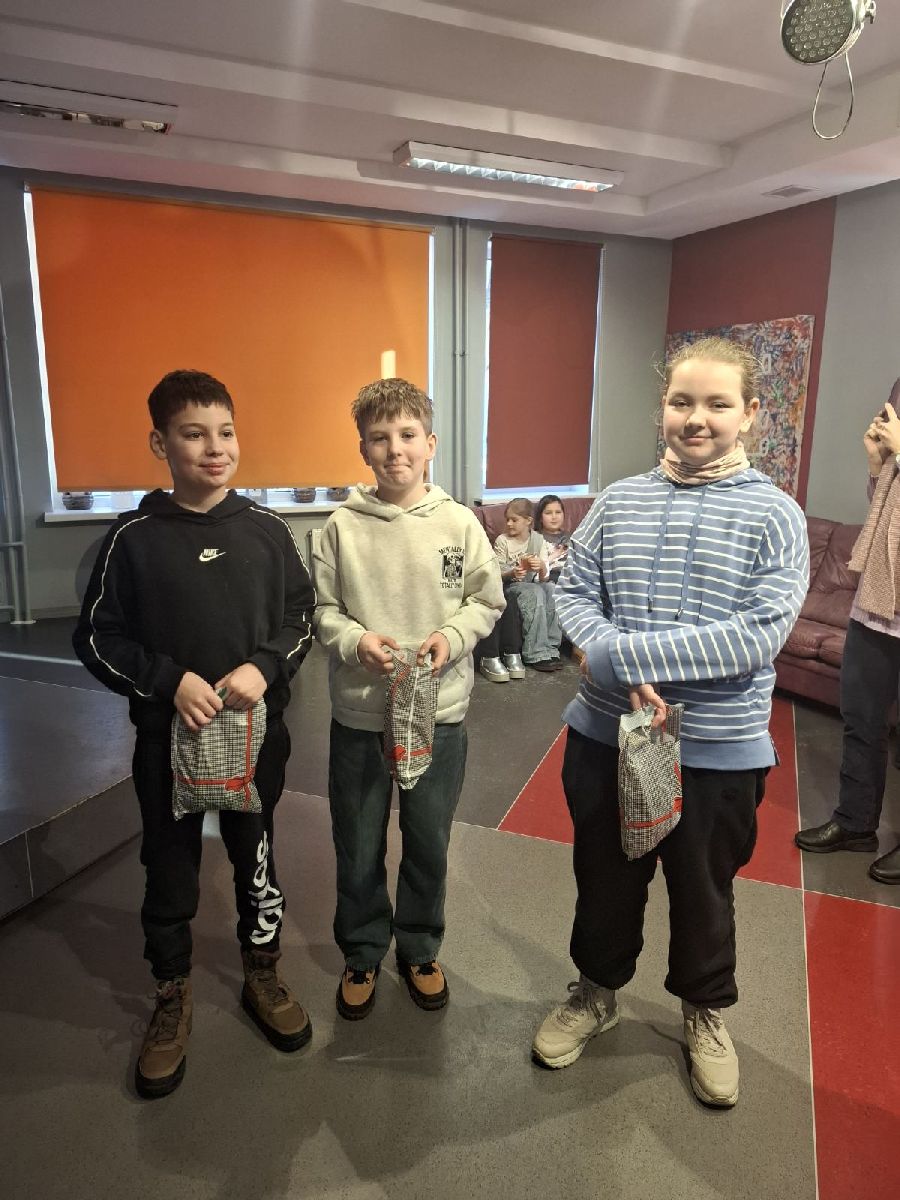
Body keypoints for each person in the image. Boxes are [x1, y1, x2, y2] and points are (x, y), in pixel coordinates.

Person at [531, 338, 808, 1109]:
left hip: (718, 749)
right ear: (663, 408)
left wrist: (618, 656)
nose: (697, 418)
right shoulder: (619, 501)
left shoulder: (776, 516)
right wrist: (608, 654)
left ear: (751, 413)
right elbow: (574, 591)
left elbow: (757, 635)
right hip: (605, 737)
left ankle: (704, 1009)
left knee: (703, 890)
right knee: (604, 878)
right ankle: (595, 991)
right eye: (682, 401)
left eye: (718, 404)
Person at [73, 370, 316, 1099]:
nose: (216, 448)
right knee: (170, 867)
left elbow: (300, 617)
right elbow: (97, 637)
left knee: (256, 858)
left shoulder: (268, 531)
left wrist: (264, 666)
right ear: (160, 444)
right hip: (165, 744)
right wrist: (169, 680)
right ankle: (171, 992)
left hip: (255, 742)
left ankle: (262, 972)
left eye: (226, 432)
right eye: (194, 434)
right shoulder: (133, 539)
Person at [313, 377, 503, 1019]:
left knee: (427, 840)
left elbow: (486, 600)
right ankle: (363, 949)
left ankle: (420, 947)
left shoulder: (460, 523)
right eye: (379, 438)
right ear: (363, 449)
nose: (395, 449)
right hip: (361, 716)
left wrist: (453, 637)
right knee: (358, 842)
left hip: (439, 716)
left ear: (431, 444)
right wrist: (355, 640)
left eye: (407, 435)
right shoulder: (340, 526)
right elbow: (323, 611)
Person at [795, 382, 900, 884]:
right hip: (875, 605)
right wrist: (879, 466)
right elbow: (884, 515)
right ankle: (856, 823)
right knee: (861, 721)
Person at [493, 498, 564, 672]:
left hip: (534, 584)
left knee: (552, 589)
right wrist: (512, 573)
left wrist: (541, 567)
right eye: (507, 519)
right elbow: (495, 574)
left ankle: (551, 648)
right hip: (511, 587)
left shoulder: (538, 540)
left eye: (514, 520)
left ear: (528, 521)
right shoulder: (503, 541)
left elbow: (544, 578)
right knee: (535, 592)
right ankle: (535, 652)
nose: (509, 524)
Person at [534, 494, 571, 585]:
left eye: (558, 512)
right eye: (548, 513)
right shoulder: (535, 538)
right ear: (540, 517)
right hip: (549, 578)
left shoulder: (570, 537)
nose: (554, 517)